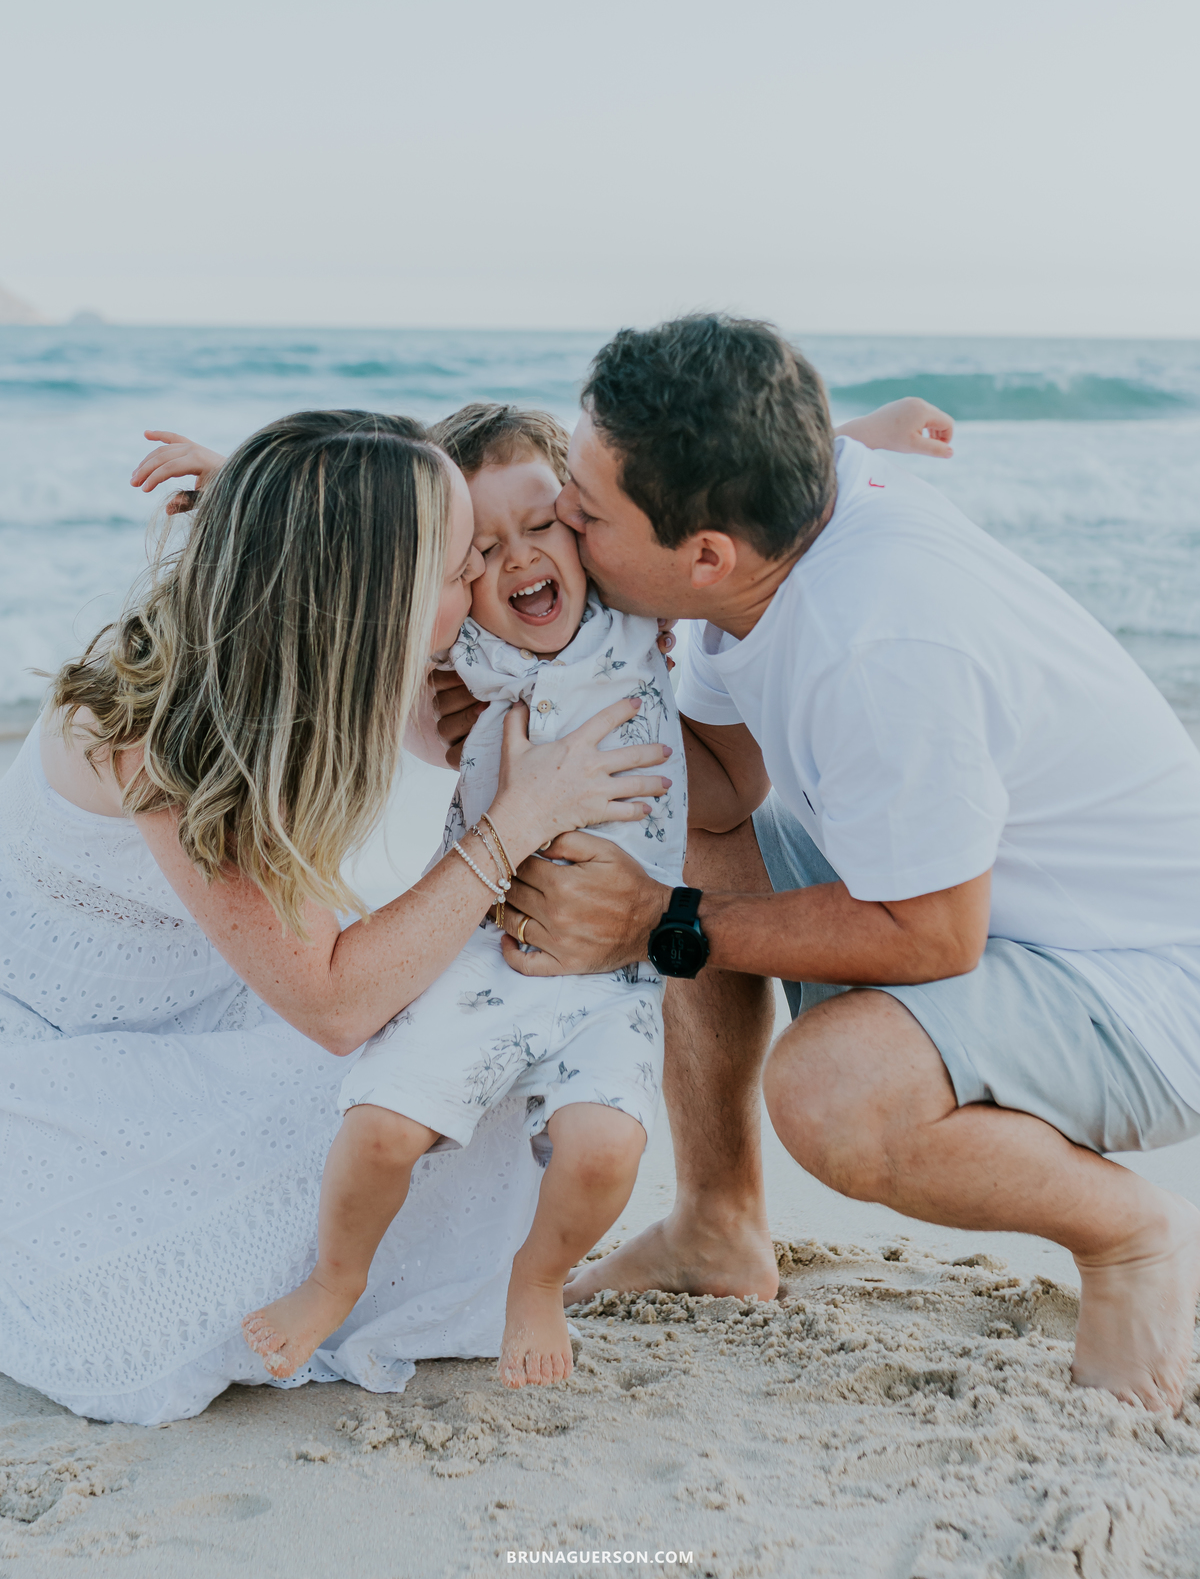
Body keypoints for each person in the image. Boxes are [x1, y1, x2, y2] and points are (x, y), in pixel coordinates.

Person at [487, 314, 1200, 1418]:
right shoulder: (785, 524)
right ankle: (717, 1227)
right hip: (1008, 912)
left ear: (705, 553)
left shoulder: (875, 641)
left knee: (832, 1095)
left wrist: (652, 925)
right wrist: (516, 685)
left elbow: (932, 934)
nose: (566, 531)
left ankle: (1131, 1237)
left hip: (1143, 989)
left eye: (587, 514)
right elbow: (719, 789)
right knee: (676, 825)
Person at [0, 409, 669, 1425]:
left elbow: (521, 491)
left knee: (484, 1044)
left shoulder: (306, 638)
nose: (474, 592)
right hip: (82, 1063)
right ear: (374, 595)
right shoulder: (159, 729)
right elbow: (334, 1005)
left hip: (224, 997)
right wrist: (518, 815)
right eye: (456, 572)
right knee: (408, 1075)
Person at [241, 404, 688, 1390]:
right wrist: (234, 480)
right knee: (381, 1130)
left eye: (544, 527)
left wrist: (861, 434)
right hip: (487, 948)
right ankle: (334, 1280)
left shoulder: (640, 613)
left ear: (588, 523)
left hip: (614, 974)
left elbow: (718, 481)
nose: (518, 558)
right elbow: (343, 554)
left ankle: (536, 1279)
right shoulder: (476, 659)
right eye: (478, 552)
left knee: (607, 1148)